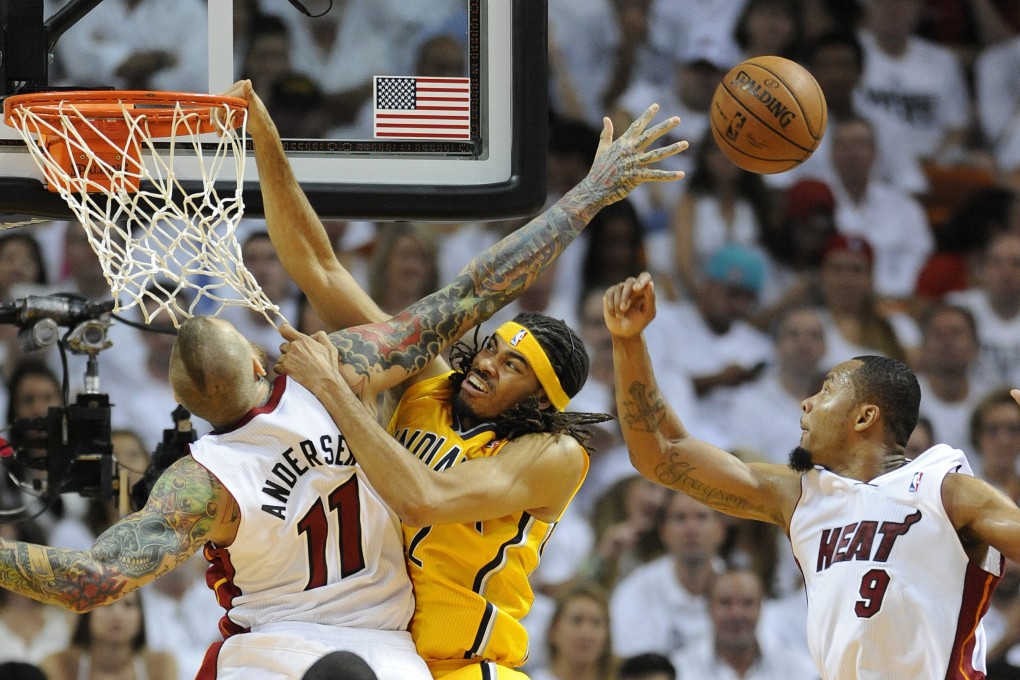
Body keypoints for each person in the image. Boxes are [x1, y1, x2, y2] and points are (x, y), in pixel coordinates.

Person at [241, 69, 686, 680]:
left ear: (542, 397)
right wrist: (265, 144)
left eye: (513, 366)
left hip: (471, 668)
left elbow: (423, 500)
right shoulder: (428, 383)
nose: (485, 364)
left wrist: (331, 390)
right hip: (384, 651)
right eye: (492, 348)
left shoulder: (552, 453)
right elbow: (321, 269)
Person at [604, 271, 1020, 678]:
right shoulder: (800, 495)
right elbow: (660, 455)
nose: (807, 402)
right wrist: (628, 341)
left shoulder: (947, 491)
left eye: (828, 389)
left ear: (865, 416)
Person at [668, 568, 817, 679]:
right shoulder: (679, 670)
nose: (736, 614)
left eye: (747, 603)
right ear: (709, 608)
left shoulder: (798, 669)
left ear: (762, 608)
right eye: (725, 603)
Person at [39, 589, 177, 680]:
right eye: (106, 604)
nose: (117, 615)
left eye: (128, 604)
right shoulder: (59, 665)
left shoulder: (161, 665)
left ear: (140, 617)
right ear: (87, 613)